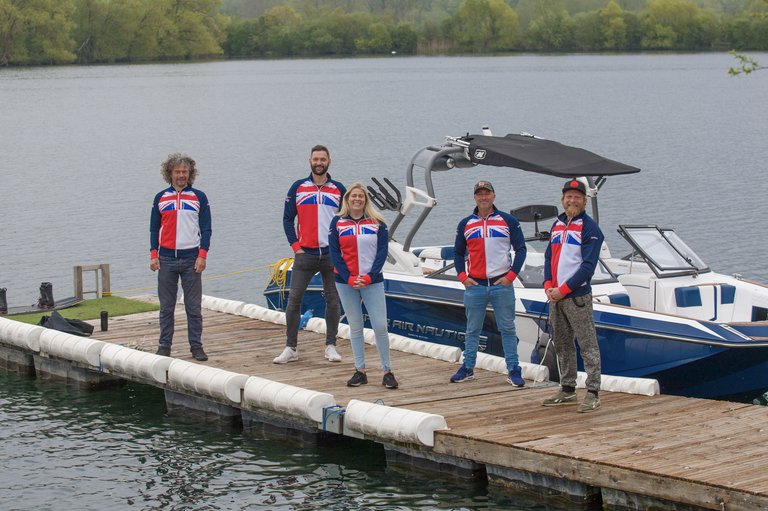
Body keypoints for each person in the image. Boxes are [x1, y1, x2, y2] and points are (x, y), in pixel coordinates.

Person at [450, 180, 527, 386]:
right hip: (475, 285)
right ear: (475, 197)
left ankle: (513, 369)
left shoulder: (508, 220)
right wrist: (462, 276)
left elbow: (521, 249)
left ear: (493, 196)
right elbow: (457, 252)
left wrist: (511, 276)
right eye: (479, 194)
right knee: (472, 329)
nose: (483, 197)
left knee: (507, 329)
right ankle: (468, 368)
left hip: (502, 284)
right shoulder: (466, 223)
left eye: (487, 193)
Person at [274, 145, 346, 364]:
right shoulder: (298, 187)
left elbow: (345, 220)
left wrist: (341, 248)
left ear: (329, 161)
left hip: (331, 254)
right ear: (310, 161)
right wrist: (296, 246)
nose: (319, 163)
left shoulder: (339, 189)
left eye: (322, 159)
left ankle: (331, 346)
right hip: (305, 253)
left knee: (333, 300)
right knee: (294, 299)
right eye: (315, 159)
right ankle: (291, 348)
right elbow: (287, 219)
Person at [542, 178, 604, 413]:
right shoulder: (557, 225)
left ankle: (593, 392)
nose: (572, 200)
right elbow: (549, 257)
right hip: (555, 296)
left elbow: (587, 267)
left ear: (584, 201)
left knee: (588, 345)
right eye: (569, 196)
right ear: (562, 199)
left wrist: (564, 290)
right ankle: (567, 389)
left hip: (576, 297)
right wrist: (548, 285)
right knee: (562, 344)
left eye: (577, 197)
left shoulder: (590, 228)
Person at [329, 183, 398, 389]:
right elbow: (334, 253)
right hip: (345, 281)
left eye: (361, 196)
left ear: (365, 200)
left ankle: (387, 371)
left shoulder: (377, 223)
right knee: (356, 326)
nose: (357, 199)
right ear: (347, 199)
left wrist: (369, 276)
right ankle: (360, 370)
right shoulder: (337, 222)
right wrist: (348, 277)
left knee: (380, 326)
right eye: (353, 196)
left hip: (372, 281)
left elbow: (382, 253)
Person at [150, 153, 212, 361]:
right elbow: (153, 229)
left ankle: (196, 346)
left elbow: (206, 228)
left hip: (191, 259)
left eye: (185, 172)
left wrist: (202, 255)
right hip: (166, 258)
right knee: (166, 307)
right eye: (177, 172)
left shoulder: (199, 197)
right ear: (170, 174)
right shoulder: (161, 198)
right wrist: (153, 255)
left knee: (193, 307)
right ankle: (164, 345)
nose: (181, 175)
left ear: (190, 174)